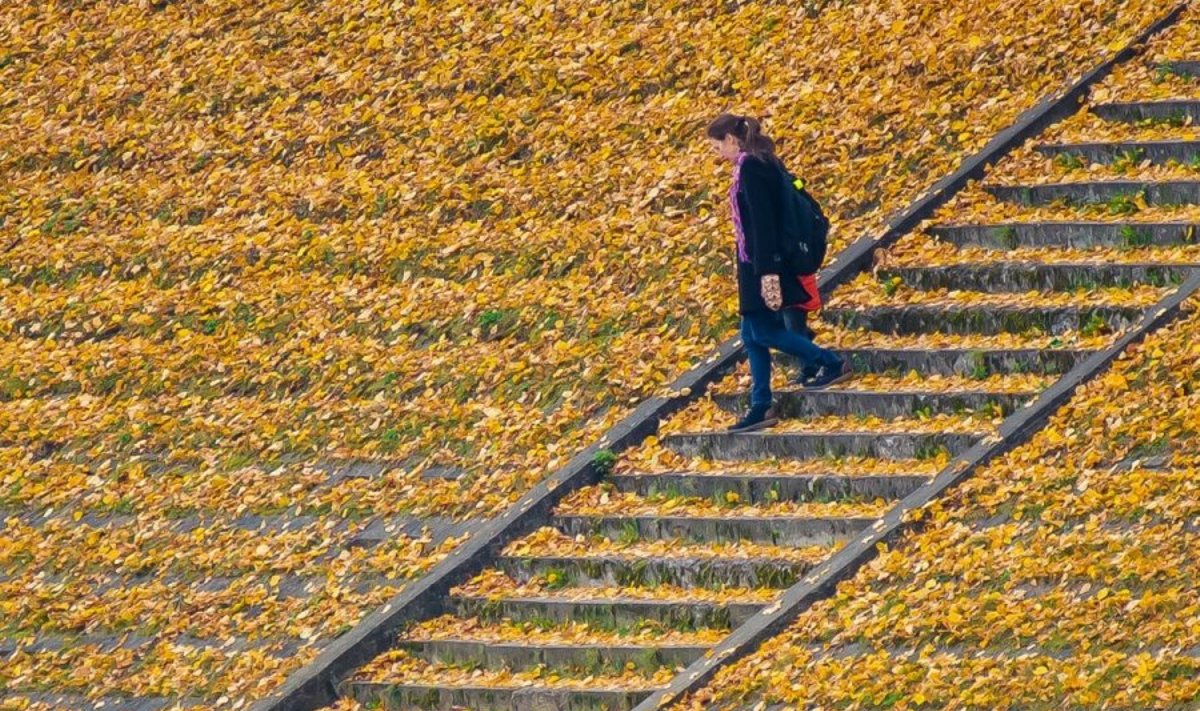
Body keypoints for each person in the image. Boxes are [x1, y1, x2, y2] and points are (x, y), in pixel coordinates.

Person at [706, 113, 849, 433]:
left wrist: (767, 272)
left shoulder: (752, 168)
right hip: (753, 262)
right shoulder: (758, 162)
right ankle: (761, 403)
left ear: (731, 139)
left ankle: (829, 361)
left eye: (717, 147)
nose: (717, 154)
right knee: (750, 335)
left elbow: (763, 223)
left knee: (765, 333)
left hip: (763, 264)